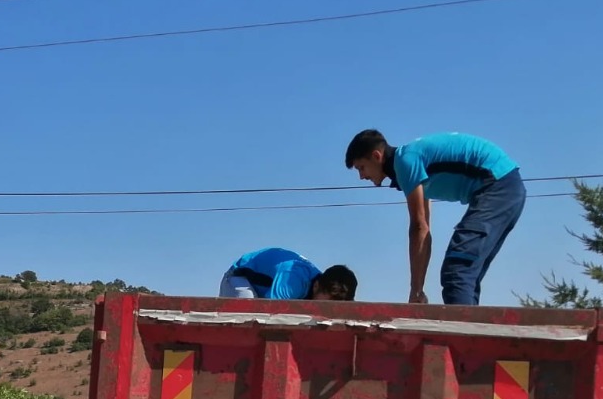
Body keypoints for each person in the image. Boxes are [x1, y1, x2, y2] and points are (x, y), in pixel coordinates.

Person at [344, 129, 525, 306]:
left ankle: (461, 335)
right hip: (506, 187)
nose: (361, 176)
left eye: (361, 168)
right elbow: (425, 230)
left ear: (377, 156)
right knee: (466, 273)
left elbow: (418, 227)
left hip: (499, 184)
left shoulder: (405, 161)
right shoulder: (412, 164)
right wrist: (418, 290)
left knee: (457, 270)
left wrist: (415, 291)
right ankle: (472, 330)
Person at [218, 249, 356, 300]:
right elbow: (271, 313)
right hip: (239, 278)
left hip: (267, 288)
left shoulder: (319, 284)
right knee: (247, 316)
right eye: (328, 303)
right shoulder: (293, 280)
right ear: (317, 286)